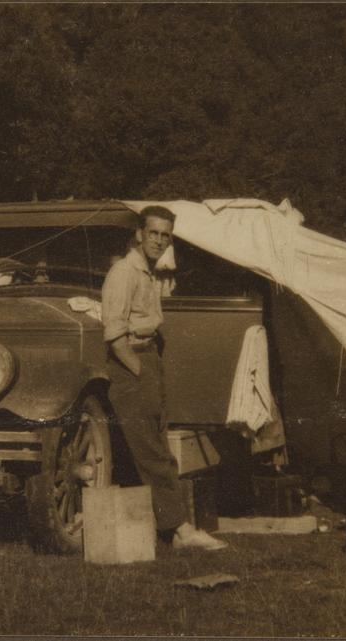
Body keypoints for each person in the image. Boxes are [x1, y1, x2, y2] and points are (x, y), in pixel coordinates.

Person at [101, 206, 228, 551]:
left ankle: (169, 528)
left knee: (158, 448)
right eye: (153, 233)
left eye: (165, 235)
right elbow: (115, 336)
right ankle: (181, 530)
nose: (158, 240)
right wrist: (140, 371)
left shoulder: (149, 273)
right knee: (154, 454)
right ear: (139, 234)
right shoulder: (124, 273)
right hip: (132, 365)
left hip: (148, 360)